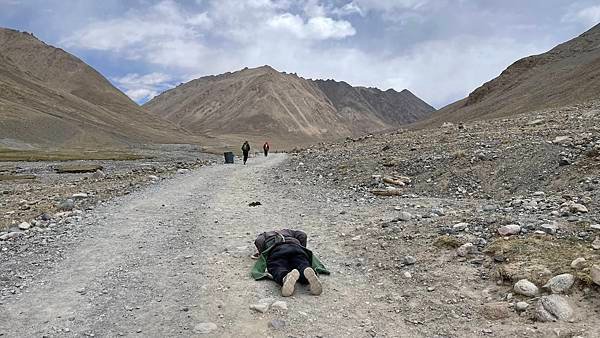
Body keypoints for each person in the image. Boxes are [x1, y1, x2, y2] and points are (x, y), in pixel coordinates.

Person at [250, 229, 329, 297]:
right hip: (296, 247)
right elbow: (302, 235)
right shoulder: (289, 232)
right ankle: (306, 272)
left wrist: (261, 252)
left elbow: (259, 241)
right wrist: (302, 247)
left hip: (277, 249)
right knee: (301, 262)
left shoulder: (265, 235)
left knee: (277, 266)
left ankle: (284, 277)